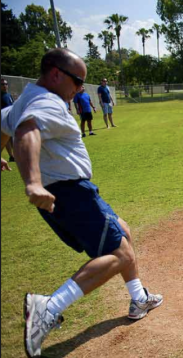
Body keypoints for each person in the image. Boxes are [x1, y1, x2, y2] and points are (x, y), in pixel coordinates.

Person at [0, 48, 162, 358]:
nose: (79, 89)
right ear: (56, 74)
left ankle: (138, 297)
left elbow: (5, 124)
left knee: (122, 230)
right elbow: (26, 131)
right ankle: (48, 308)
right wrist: (32, 180)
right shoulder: (47, 102)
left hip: (70, 192)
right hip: (71, 193)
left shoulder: (25, 99)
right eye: (78, 82)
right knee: (120, 254)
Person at [1, 78, 16, 162]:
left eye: (6, 84)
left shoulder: (9, 95)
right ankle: (11, 156)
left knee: (11, 139)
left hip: (11, 119)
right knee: (5, 139)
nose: (4, 86)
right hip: (3, 120)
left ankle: (13, 155)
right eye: (2, 84)